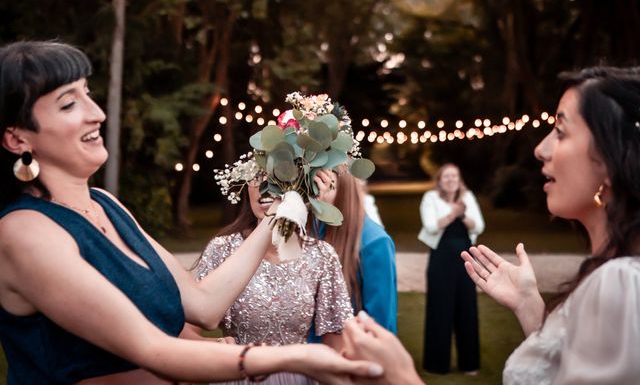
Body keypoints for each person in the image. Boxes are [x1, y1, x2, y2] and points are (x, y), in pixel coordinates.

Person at [0, 40, 383, 384]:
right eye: (69, 103)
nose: (97, 113)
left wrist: (284, 211)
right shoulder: (24, 232)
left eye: (89, 94)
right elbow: (153, 350)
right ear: (17, 137)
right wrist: (297, 356)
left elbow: (203, 306)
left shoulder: (107, 204)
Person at [462, 65, 640, 384]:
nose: (540, 149)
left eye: (560, 132)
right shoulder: (616, 275)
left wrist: (404, 378)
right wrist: (529, 306)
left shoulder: (619, 281)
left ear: (611, 161)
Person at [193, 173, 354, 384]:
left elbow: (336, 340)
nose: (264, 185)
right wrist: (216, 347)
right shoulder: (222, 250)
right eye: (256, 175)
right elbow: (184, 329)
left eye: (277, 175)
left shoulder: (321, 255)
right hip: (238, 376)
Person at [310, 169, 397, 336]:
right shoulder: (306, 231)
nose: (314, 189)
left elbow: (380, 324)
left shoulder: (375, 242)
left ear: (343, 185)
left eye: (321, 181)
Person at [418, 163, 484, 375]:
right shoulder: (430, 198)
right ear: (439, 180)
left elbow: (479, 226)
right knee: (439, 309)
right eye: (446, 176)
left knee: (467, 309)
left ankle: (469, 364)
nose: (450, 179)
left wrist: (463, 215)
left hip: (465, 262)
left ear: (459, 179)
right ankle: (437, 365)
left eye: (454, 176)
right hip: (440, 262)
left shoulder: (468, 197)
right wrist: (454, 213)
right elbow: (430, 226)